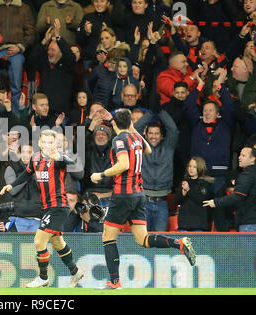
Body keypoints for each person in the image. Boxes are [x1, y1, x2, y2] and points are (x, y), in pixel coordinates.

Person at [90, 108, 196, 290]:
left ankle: (115, 282)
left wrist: (100, 174)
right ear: (130, 123)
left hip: (123, 194)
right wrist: (127, 125)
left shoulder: (119, 140)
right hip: (139, 195)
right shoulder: (136, 138)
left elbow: (124, 164)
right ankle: (178, 244)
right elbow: (147, 149)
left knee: (108, 236)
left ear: (114, 124)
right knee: (143, 239)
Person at [0, 129, 84, 288]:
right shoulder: (36, 158)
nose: (47, 145)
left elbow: (70, 162)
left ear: (54, 144)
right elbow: (26, 174)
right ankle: (75, 272)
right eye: (44, 142)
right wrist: (11, 185)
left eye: (50, 142)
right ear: (39, 143)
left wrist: (59, 156)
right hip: (48, 208)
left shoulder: (58, 159)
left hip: (58, 207)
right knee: (58, 242)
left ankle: (43, 277)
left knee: (39, 241)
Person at [0, 0, 37, 115]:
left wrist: (20, 47)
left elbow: (31, 32)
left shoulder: (24, 8)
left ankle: (14, 117)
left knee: (16, 88)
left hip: (16, 51)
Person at [134, 101, 179, 232]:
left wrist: (161, 112)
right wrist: (151, 112)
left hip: (162, 203)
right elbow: (135, 129)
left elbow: (173, 129)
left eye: (157, 133)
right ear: (146, 135)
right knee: (142, 239)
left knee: (160, 240)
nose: (153, 136)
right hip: (143, 201)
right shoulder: (140, 146)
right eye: (151, 133)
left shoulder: (168, 147)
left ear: (162, 136)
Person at [28, 19, 76, 115]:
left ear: (60, 52)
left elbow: (71, 56)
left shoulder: (66, 66)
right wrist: (45, 40)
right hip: (43, 113)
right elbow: (31, 59)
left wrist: (58, 36)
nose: (49, 52)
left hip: (61, 115)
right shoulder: (44, 64)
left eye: (53, 50)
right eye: (49, 49)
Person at [203, 146, 256, 232]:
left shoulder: (247, 175)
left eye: (243, 155)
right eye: (239, 155)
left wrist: (216, 202)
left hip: (249, 223)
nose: (239, 157)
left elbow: (237, 196)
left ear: (253, 159)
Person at [4, 143, 42, 232]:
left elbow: (42, 187)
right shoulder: (11, 168)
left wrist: (33, 169)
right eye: (23, 152)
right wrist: (27, 174)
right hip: (16, 217)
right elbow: (12, 190)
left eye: (29, 152)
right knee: (16, 245)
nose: (25, 155)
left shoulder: (41, 168)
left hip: (37, 218)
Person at [174, 156, 214, 232]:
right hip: (184, 224)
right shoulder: (184, 182)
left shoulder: (204, 184)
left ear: (200, 168)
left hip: (198, 224)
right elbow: (177, 201)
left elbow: (201, 199)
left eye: (194, 167)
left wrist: (189, 190)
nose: (191, 169)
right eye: (190, 166)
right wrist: (183, 193)